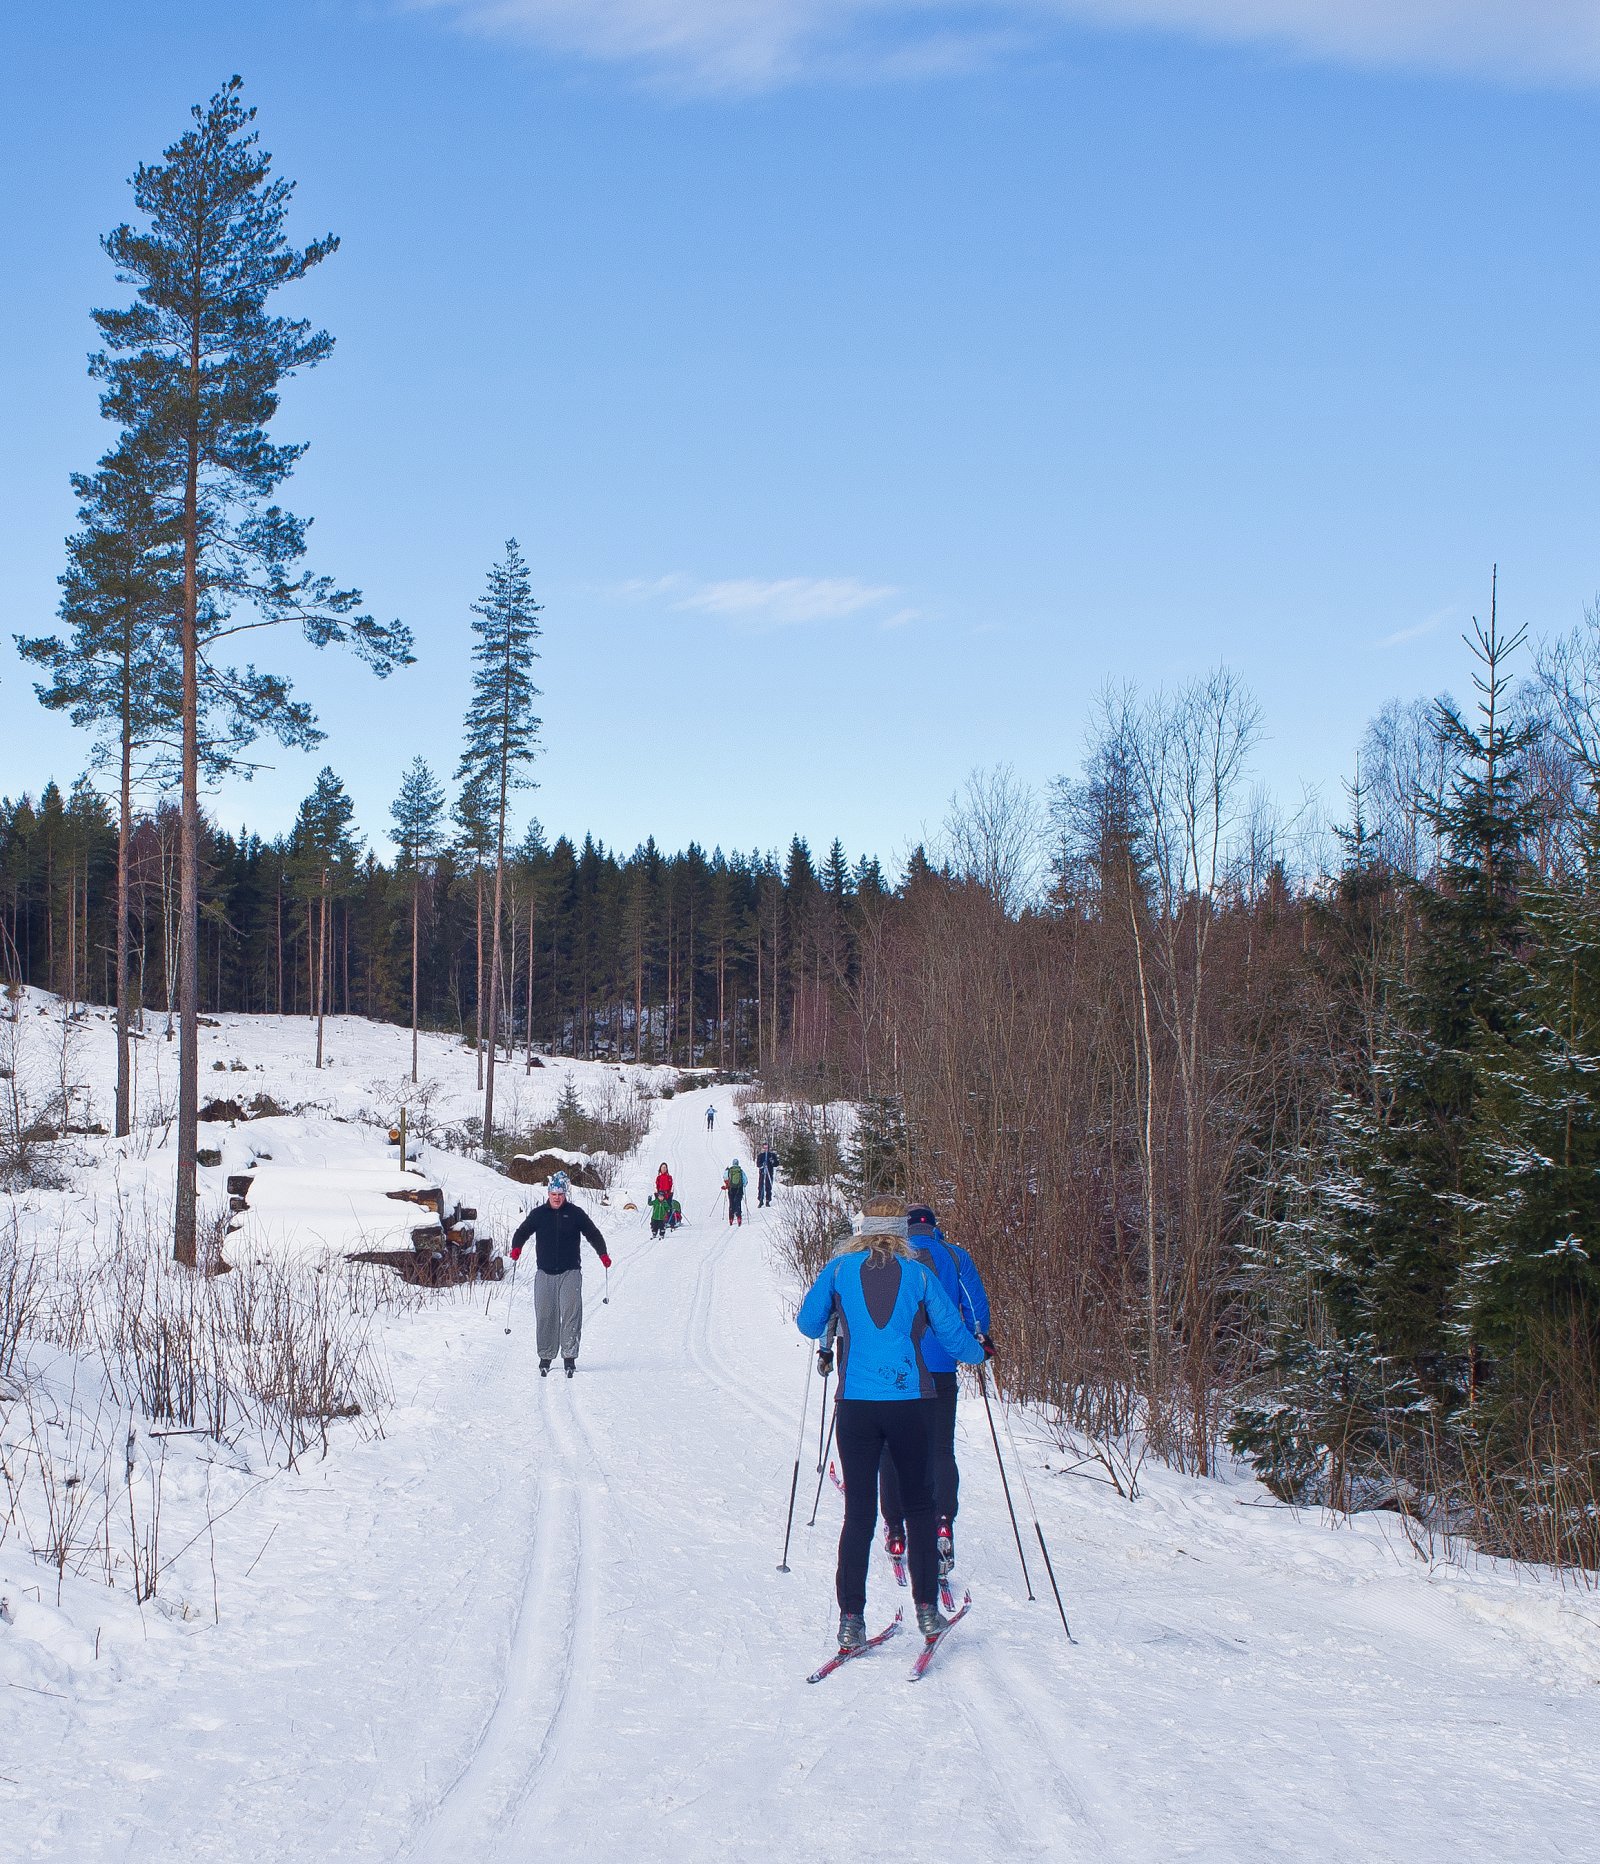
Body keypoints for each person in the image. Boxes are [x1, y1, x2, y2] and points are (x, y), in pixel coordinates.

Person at [796, 1195, 985, 1650]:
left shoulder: (839, 1270)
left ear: (863, 1228)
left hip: (857, 1405)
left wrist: (836, 1320)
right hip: (910, 1401)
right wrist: (980, 1352)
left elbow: (807, 1322)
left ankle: (851, 1620)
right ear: (901, 1230)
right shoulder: (919, 1273)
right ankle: (926, 1611)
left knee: (858, 1513)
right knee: (920, 1506)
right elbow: (953, 1335)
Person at [877, 1203, 994, 1577]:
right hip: (942, 1365)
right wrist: (980, 1342)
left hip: (899, 1368)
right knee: (941, 1448)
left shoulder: (893, 1258)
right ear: (935, 1227)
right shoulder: (957, 1257)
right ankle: (942, 1523)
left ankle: (896, 1529)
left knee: (891, 1449)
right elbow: (976, 1310)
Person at [509, 1170, 611, 1377]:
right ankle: (545, 1356)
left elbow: (593, 1233)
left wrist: (603, 1254)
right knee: (546, 1314)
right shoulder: (539, 1214)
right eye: (554, 1193)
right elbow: (522, 1231)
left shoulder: (575, 1213)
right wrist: (516, 1247)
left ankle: (569, 1357)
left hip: (570, 1271)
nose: (557, 1197)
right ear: (549, 1194)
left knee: (571, 1313)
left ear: (565, 1194)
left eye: (560, 1194)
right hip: (544, 1273)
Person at [723, 1159, 747, 1225]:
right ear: (738, 1163)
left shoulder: (729, 1170)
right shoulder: (740, 1171)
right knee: (738, 1202)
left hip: (731, 1189)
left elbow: (725, 1178)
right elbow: (745, 1180)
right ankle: (739, 1218)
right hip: (739, 1188)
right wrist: (743, 1185)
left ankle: (731, 1219)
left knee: (731, 1202)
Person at [755, 1143, 779, 1208]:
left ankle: (768, 1200)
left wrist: (772, 1161)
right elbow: (758, 1164)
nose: (765, 1149)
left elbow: (776, 1164)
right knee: (761, 1187)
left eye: (766, 1148)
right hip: (762, 1174)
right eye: (764, 1148)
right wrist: (762, 1165)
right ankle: (761, 1200)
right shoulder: (760, 1155)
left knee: (768, 1187)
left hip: (769, 1173)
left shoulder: (772, 1155)